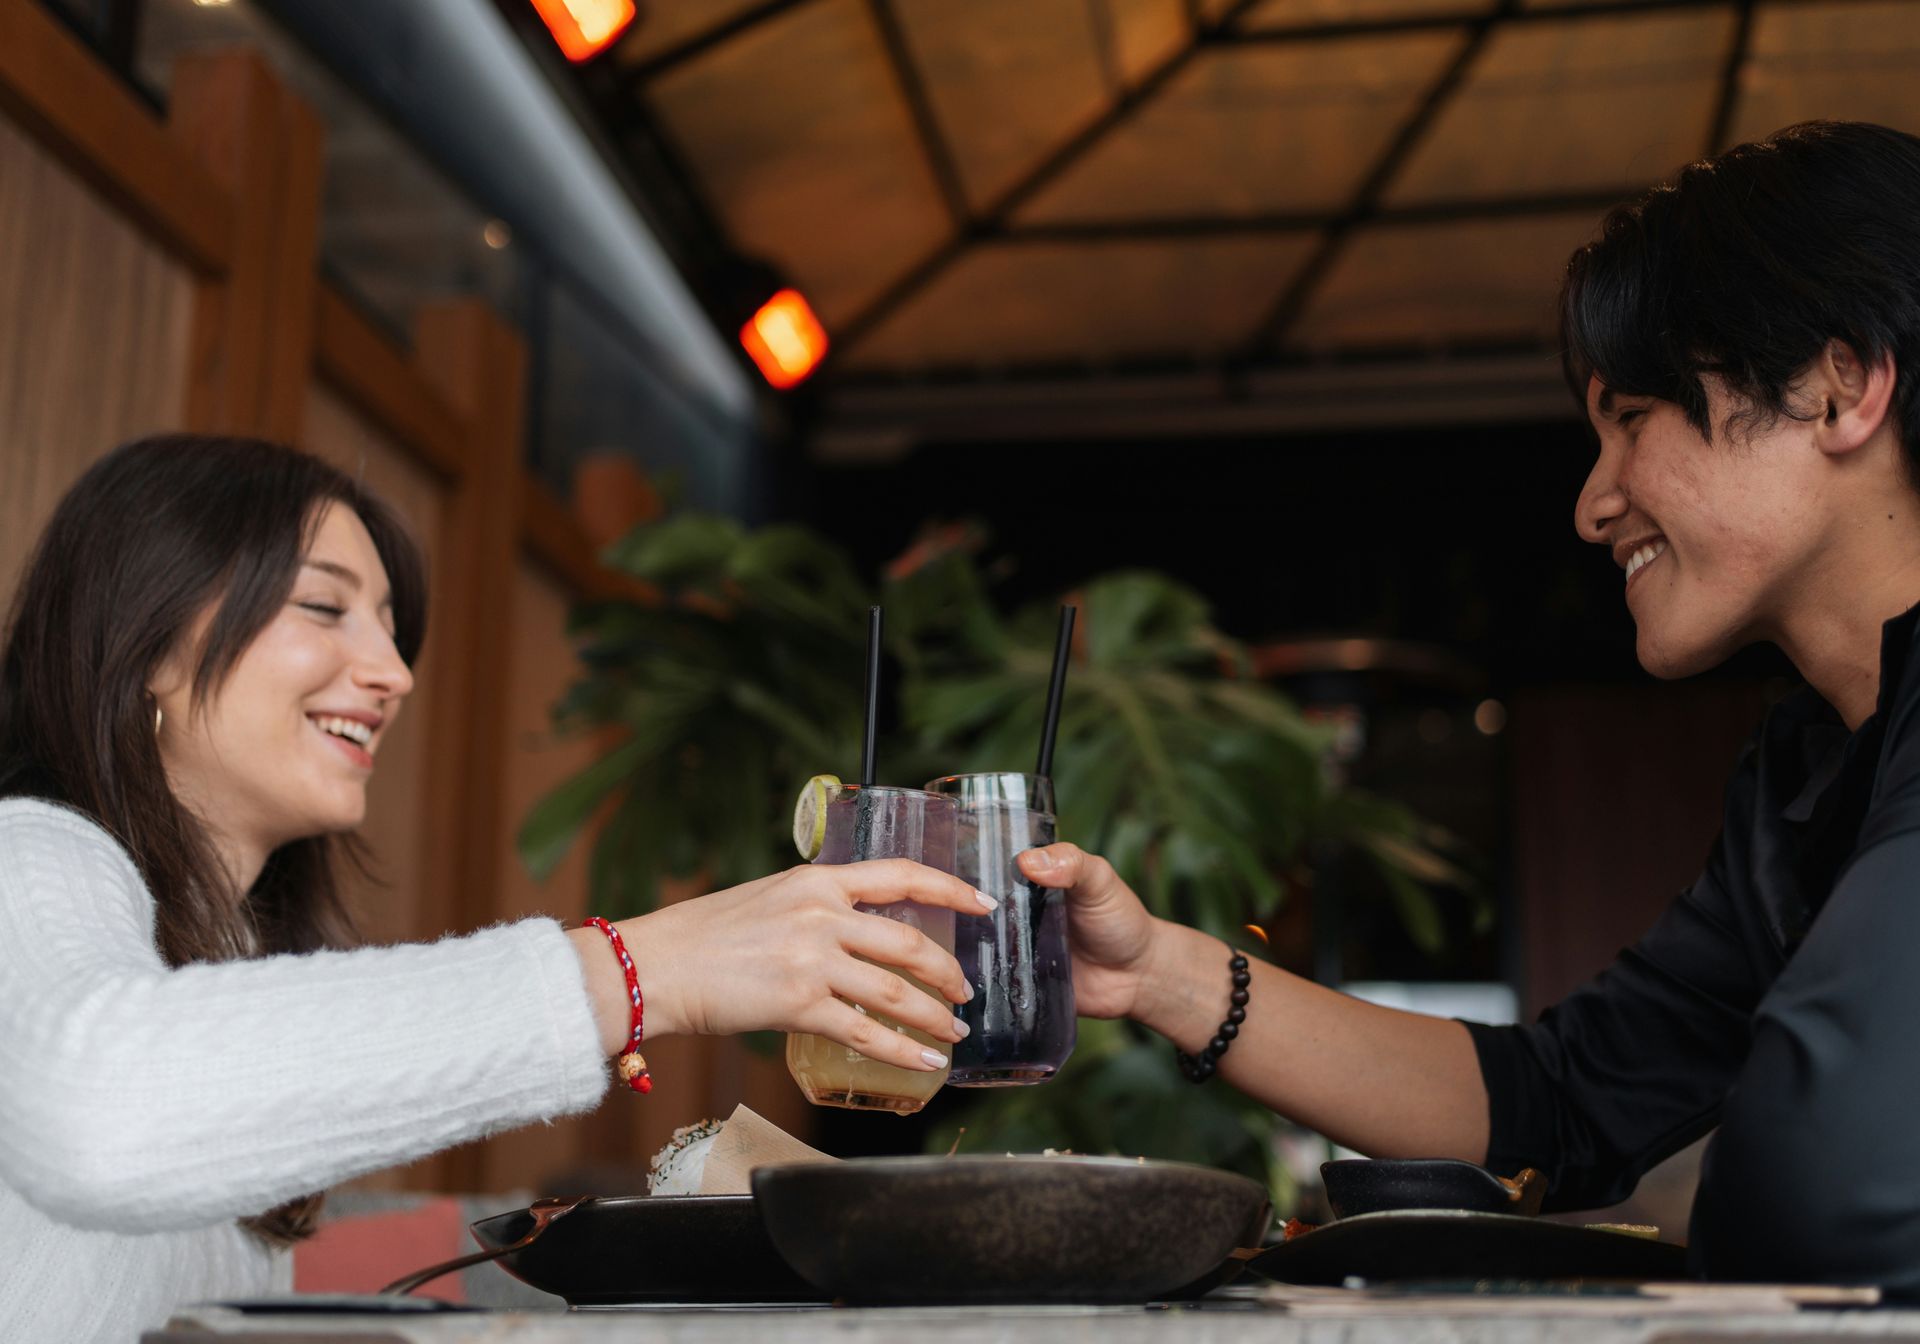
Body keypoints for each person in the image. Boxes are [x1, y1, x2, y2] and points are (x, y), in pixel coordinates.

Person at [1023, 119, 1920, 1293]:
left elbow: (1832, 1184)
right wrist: (1158, 977)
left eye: (1633, 419)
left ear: (1838, 385)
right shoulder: (1804, 774)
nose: (1593, 503)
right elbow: (1559, 1100)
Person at [0, 435, 989, 1340]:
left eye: (392, 630)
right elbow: (105, 1112)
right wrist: (645, 969)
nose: (393, 672)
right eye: (323, 606)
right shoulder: (27, 854)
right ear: (149, 643)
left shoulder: (222, 956)